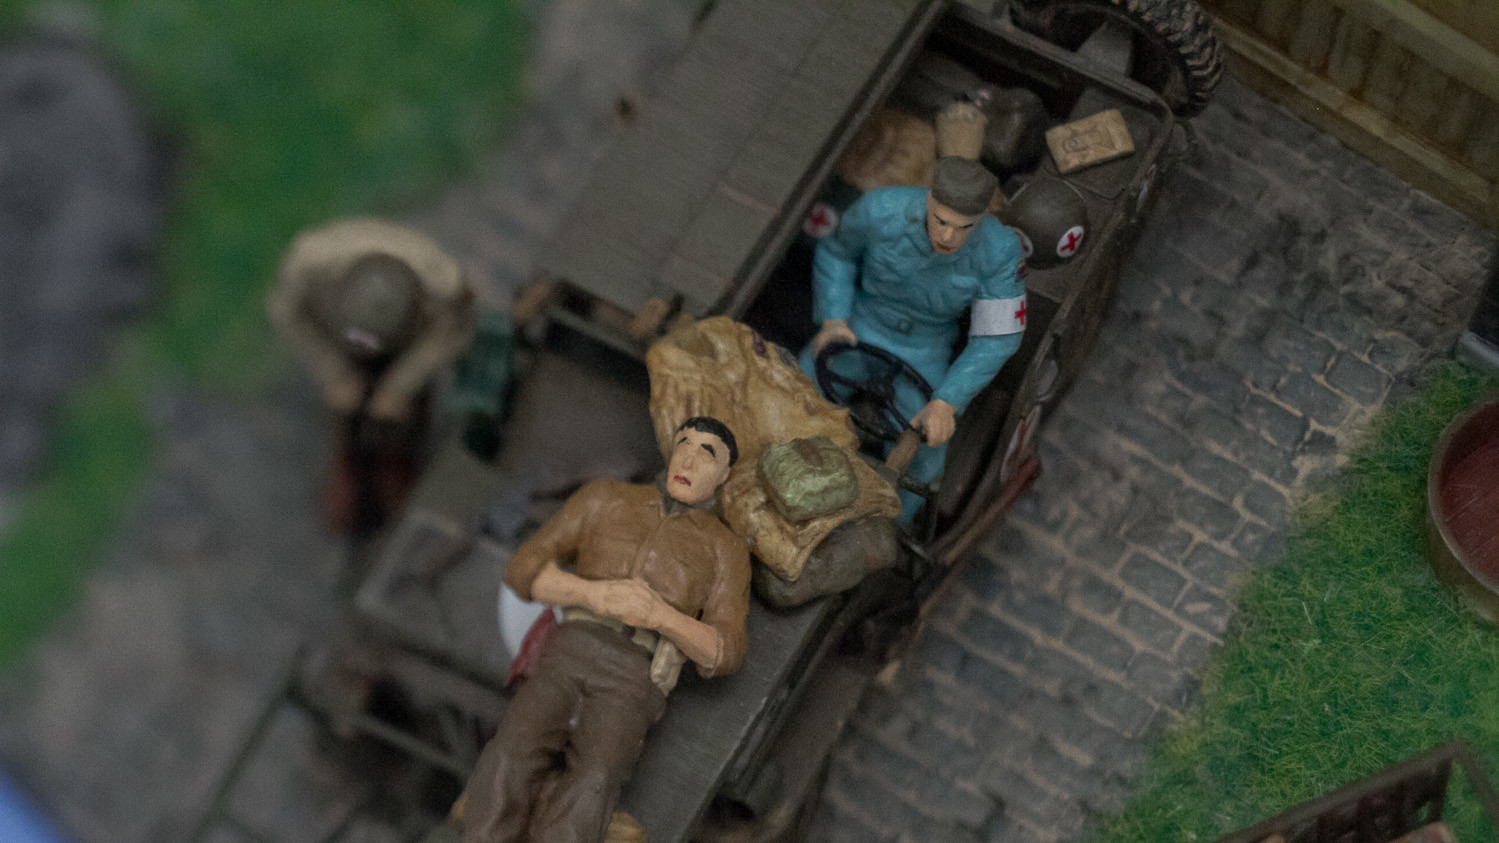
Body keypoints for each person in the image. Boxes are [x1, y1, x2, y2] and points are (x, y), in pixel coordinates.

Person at [462, 417, 751, 843]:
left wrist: (660, 616)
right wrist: (592, 594)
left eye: (706, 453)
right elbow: (523, 569)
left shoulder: (725, 550)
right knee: (510, 751)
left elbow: (725, 651)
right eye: (684, 444)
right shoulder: (606, 499)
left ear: (725, 474)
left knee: (596, 778)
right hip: (570, 648)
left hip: (634, 675)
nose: (688, 459)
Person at [798, 156, 1026, 520]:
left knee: (928, 454)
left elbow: (996, 337)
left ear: (980, 219)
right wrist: (833, 319)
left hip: (925, 349)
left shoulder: (999, 251)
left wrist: (947, 401)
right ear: (929, 199)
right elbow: (837, 252)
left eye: (964, 227)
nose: (948, 237)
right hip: (859, 326)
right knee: (794, 387)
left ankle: (890, 527)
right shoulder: (880, 209)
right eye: (941, 221)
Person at [268, 218, 476, 534]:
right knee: (344, 407)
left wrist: (399, 387)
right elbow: (287, 315)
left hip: (409, 342)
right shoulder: (308, 266)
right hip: (339, 339)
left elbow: (450, 334)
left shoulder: (442, 285)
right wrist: (335, 376)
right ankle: (348, 467)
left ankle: (401, 468)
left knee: (403, 415)